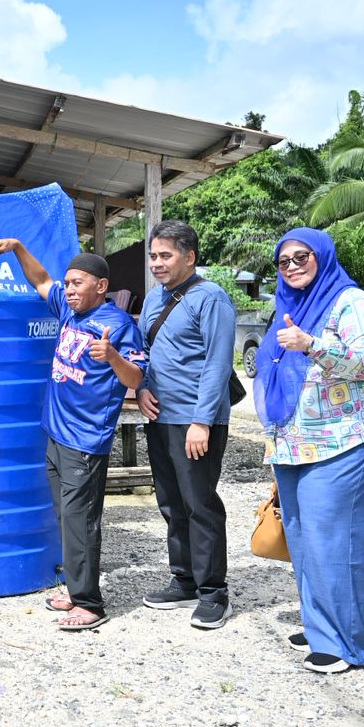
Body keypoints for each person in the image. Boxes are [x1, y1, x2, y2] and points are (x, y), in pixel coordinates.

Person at [0, 240, 146, 631]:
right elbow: (41, 280)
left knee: (82, 520)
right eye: (68, 283)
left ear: (101, 285)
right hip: (56, 435)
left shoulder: (119, 326)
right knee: (67, 517)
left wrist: (111, 356)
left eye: (78, 283)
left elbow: (136, 378)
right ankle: (78, 591)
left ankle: (91, 604)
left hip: (84, 441)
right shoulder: (69, 310)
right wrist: (18, 248)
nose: (70, 289)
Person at [255, 227, 364, 674]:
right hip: (294, 445)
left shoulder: (353, 303)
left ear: (323, 256)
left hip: (344, 442)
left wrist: (312, 345)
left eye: (301, 256)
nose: (291, 266)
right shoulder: (287, 308)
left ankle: (345, 644)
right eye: (283, 260)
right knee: (306, 543)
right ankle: (319, 626)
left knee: (336, 545)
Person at [136, 221, 237, 630]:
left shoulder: (210, 297)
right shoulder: (153, 299)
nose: (157, 263)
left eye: (166, 255)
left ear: (189, 257)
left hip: (195, 421)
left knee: (200, 504)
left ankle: (214, 593)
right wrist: (141, 387)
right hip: (160, 417)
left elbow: (217, 363)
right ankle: (185, 580)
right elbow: (144, 351)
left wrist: (202, 421)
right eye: (154, 255)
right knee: (171, 503)